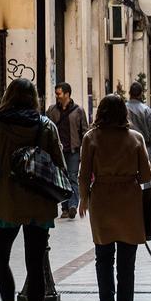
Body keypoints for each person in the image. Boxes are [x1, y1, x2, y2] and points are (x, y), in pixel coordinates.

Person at [0, 77, 66, 301]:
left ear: (9, 97)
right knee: (35, 265)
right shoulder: (47, 126)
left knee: (0, 259)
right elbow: (59, 165)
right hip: (40, 207)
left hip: (8, 206)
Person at [77, 94, 151, 301]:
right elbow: (146, 177)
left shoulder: (91, 138)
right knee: (126, 266)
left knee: (103, 258)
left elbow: (83, 174)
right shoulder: (136, 138)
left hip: (102, 201)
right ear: (124, 113)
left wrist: (84, 199)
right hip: (129, 203)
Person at [46, 81, 89, 219]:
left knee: (72, 177)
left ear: (67, 94)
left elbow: (85, 132)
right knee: (61, 179)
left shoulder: (79, 110)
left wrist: (85, 151)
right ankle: (64, 207)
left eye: (59, 94)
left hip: (73, 151)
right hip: (57, 152)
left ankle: (72, 206)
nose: (57, 96)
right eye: (56, 94)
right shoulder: (51, 111)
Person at [125, 82, 151, 157]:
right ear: (141, 94)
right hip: (144, 147)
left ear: (129, 93)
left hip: (126, 148)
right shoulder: (147, 111)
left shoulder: (122, 108)